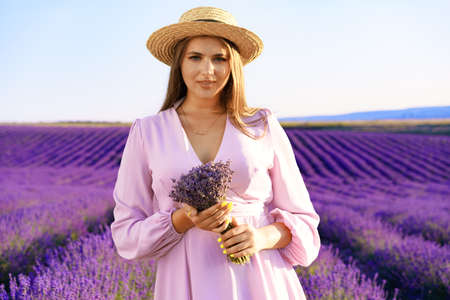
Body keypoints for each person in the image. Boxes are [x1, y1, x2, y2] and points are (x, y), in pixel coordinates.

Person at [110, 6, 320, 300]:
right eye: (195, 57)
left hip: (261, 279)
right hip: (185, 282)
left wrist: (260, 237)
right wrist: (183, 219)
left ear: (233, 64)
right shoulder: (148, 131)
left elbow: (305, 223)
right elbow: (126, 235)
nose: (207, 71)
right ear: (179, 63)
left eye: (219, 58)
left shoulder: (261, 125)